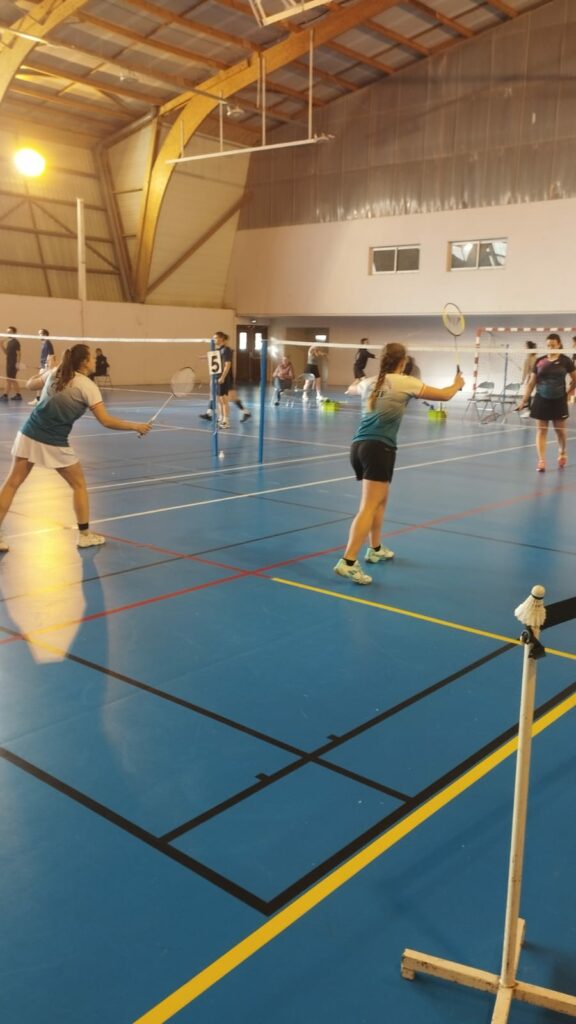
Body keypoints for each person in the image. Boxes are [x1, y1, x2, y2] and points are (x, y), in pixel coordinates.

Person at [0, 343, 151, 553]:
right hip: (53, 441)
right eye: (91, 358)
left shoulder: (56, 372)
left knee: (11, 484)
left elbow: (29, 384)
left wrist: (46, 370)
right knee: (79, 485)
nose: (93, 360)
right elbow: (106, 421)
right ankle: (85, 536)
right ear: (84, 362)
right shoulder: (87, 387)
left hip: (28, 432)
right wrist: (136, 426)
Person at [333, 342, 464, 584]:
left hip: (359, 447)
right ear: (402, 362)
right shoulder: (406, 382)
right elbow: (445, 395)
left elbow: (351, 388)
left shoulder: (369, 382)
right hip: (378, 449)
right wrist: (458, 383)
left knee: (380, 501)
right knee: (368, 506)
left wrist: (362, 386)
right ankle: (348, 561)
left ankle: (375, 548)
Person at [517, 333, 576, 472]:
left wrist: (569, 392)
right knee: (541, 430)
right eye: (548, 345)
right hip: (541, 399)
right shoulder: (540, 361)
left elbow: (575, 378)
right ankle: (541, 461)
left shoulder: (566, 361)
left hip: (559, 400)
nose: (550, 347)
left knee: (560, 431)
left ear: (559, 345)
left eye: (553, 345)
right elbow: (531, 383)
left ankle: (562, 452)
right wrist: (524, 400)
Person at [199, 331, 251, 427]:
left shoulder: (226, 350)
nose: (214, 340)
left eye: (215, 338)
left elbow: (227, 364)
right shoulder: (219, 350)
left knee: (225, 400)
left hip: (225, 378)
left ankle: (225, 420)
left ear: (221, 338)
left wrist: (222, 377)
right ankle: (223, 417)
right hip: (218, 377)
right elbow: (215, 358)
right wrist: (204, 357)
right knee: (222, 399)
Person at [29, 328, 55, 405]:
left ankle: (39, 399)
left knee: (40, 382)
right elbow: (44, 356)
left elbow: (51, 355)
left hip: (46, 366)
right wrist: (41, 365)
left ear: (45, 334)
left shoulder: (48, 343)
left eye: (40, 334)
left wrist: (49, 366)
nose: (39, 335)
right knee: (42, 383)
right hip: (43, 366)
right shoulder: (43, 343)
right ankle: (39, 399)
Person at [1, 326, 22, 401]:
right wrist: (1, 345)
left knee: (9, 379)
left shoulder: (15, 342)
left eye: (10, 332)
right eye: (7, 332)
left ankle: (5, 395)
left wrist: (18, 363)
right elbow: (7, 353)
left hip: (13, 364)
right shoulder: (9, 342)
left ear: (14, 333)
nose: (8, 333)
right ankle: (18, 395)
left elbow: (19, 354)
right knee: (12, 379)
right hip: (9, 363)